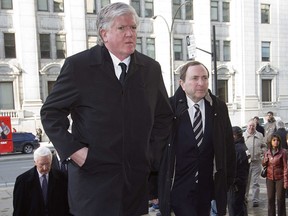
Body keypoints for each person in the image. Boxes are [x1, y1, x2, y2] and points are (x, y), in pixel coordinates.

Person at [40, 2, 173, 216]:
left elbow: (163, 117)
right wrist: (75, 152)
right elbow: (50, 113)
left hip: (133, 184)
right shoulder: (79, 66)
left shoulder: (151, 69)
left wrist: (149, 154)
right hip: (92, 183)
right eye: (122, 28)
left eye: (133, 28)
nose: (130, 34)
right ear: (104, 33)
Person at [158, 61, 236, 216]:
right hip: (178, 189)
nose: (201, 83)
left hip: (207, 191)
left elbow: (228, 148)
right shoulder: (168, 107)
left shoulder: (218, 107)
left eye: (205, 78)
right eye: (194, 78)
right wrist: (156, 189)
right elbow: (157, 150)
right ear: (182, 83)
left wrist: (226, 183)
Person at [13, 146, 70, 216]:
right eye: (42, 164)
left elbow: (66, 204)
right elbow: (19, 209)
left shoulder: (61, 178)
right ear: (35, 162)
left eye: (48, 164)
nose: (45, 168)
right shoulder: (23, 181)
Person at [262, 133, 288, 216]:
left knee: (280, 199)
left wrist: (286, 181)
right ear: (271, 142)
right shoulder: (267, 152)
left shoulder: (283, 152)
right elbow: (264, 165)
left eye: (277, 140)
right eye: (274, 140)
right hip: (269, 178)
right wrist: (264, 161)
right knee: (270, 199)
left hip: (280, 178)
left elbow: (285, 167)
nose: (276, 142)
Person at [227, 126, 250, 216]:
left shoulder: (237, 149)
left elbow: (232, 167)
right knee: (241, 207)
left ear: (234, 136)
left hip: (235, 184)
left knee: (234, 209)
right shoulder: (243, 147)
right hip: (242, 182)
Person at [243, 119, 266, 207]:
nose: (251, 127)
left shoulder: (259, 135)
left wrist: (262, 152)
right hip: (246, 163)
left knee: (255, 182)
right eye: (250, 126)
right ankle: (244, 198)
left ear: (255, 127)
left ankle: (255, 200)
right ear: (247, 126)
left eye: (253, 126)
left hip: (256, 162)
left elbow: (264, 145)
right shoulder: (243, 135)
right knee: (246, 181)